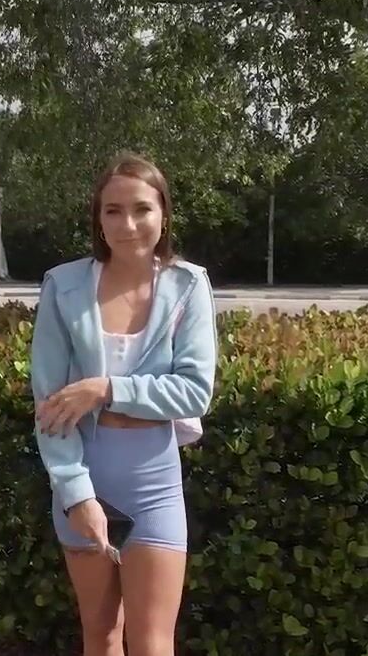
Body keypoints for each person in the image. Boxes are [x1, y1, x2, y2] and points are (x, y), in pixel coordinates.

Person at [30, 151, 218, 656]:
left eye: (141, 209)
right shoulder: (63, 286)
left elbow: (194, 390)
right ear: (98, 218)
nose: (128, 224)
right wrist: (76, 495)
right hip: (82, 480)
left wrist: (106, 388)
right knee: (102, 636)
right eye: (112, 210)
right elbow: (50, 407)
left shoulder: (188, 285)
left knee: (153, 643)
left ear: (164, 214)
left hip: (154, 484)